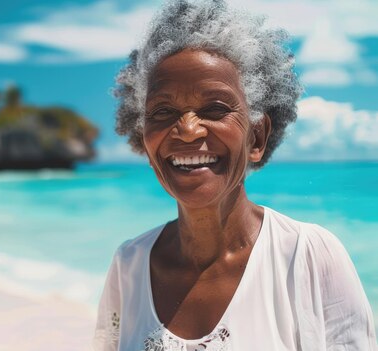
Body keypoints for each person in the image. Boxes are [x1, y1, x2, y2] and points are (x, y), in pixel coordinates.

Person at [93, 0, 377, 350]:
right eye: (163, 111)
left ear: (256, 137)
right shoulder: (129, 265)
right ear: (146, 143)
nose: (188, 130)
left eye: (214, 108)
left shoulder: (309, 257)